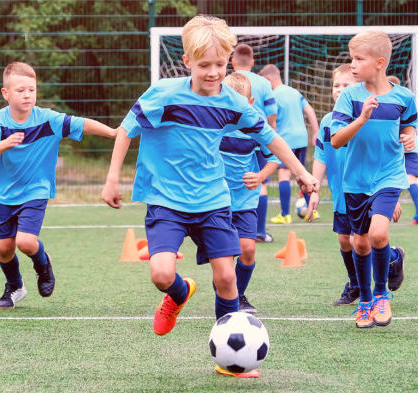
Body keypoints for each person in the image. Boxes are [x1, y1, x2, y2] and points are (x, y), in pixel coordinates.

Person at [101, 15, 318, 378]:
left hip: (214, 200)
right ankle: (180, 292)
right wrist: (111, 179)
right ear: (187, 62)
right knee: (160, 273)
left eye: (220, 64)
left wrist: (302, 171)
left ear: (229, 60)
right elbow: (126, 131)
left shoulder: (233, 102)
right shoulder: (164, 94)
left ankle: (231, 362)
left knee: (227, 277)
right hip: (167, 201)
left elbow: (270, 138)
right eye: (204, 65)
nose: (214, 72)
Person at [0, 61, 117, 310]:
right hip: (5, 194)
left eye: (31, 90)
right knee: (4, 249)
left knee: (25, 242)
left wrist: (113, 133)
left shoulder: (47, 119)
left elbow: (82, 123)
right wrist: (6, 143)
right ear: (6, 93)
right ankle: (15, 286)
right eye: (21, 90)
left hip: (36, 190)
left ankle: (42, 263)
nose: (27, 95)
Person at [330, 31, 417, 328]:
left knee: (379, 235)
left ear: (379, 63)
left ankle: (381, 295)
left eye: (358, 59)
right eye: (351, 58)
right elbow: (337, 140)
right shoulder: (350, 97)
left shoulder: (404, 97)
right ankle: (364, 301)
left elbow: (409, 126)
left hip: (389, 175)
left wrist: (409, 139)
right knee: (361, 243)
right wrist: (362, 117)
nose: (352, 65)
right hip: (355, 180)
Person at [306, 64, 406, 307]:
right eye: (336, 86)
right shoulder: (330, 121)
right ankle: (356, 284)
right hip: (343, 193)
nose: (340, 90)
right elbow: (321, 156)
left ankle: (389, 261)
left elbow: (387, 158)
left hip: (371, 190)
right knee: (344, 240)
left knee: (361, 240)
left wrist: (391, 198)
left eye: (346, 86)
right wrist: (314, 188)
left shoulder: (371, 120)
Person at [217, 72, 280, 314]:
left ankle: (239, 296)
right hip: (217, 201)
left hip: (245, 200)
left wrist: (261, 176)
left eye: (239, 103)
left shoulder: (255, 128)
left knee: (248, 248)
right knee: (223, 256)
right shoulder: (214, 128)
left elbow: (275, 157)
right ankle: (226, 291)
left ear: (250, 103)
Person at [259, 64, 320, 224]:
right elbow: (310, 111)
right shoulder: (294, 92)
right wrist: (316, 132)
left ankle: (285, 214)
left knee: (284, 175)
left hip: (287, 140)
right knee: (302, 174)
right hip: (301, 138)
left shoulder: (272, 95)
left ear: (267, 79)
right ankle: (313, 210)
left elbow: (271, 121)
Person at [230, 44, 278, 243]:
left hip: (245, 139)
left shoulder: (225, 83)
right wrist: (271, 134)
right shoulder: (264, 83)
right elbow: (272, 115)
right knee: (259, 183)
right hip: (260, 137)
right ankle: (259, 231)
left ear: (232, 62)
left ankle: (240, 229)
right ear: (252, 62)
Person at [387, 75, 418, 225]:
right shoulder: (404, 105)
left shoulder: (397, 105)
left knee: (396, 181)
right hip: (411, 152)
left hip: (402, 152)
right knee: (410, 180)